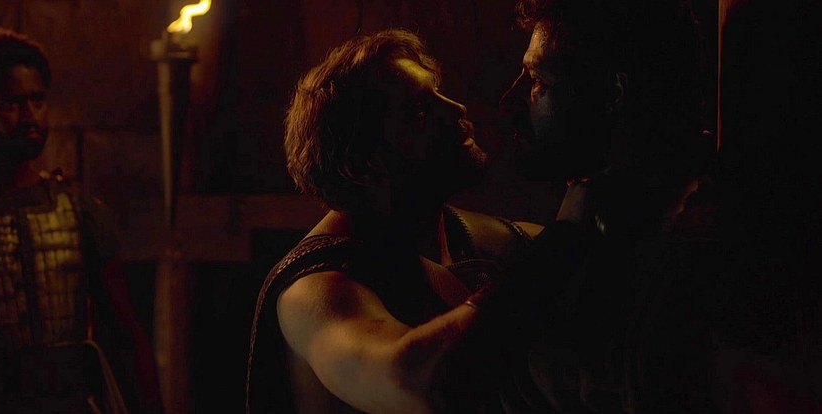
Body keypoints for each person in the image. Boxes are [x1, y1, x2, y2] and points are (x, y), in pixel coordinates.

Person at [246, 28, 542, 414]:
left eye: (438, 92)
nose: (455, 109)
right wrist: (550, 262)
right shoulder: (313, 291)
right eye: (418, 111)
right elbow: (413, 381)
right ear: (360, 166)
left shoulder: (497, 241)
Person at [494, 0, 724, 412]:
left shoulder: (687, 252)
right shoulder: (611, 214)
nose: (509, 100)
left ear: (612, 92)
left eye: (538, 80)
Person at [0, 29, 162, 413]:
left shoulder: (77, 210)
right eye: (11, 103)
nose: (30, 116)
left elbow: (124, 331)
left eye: (37, 100)